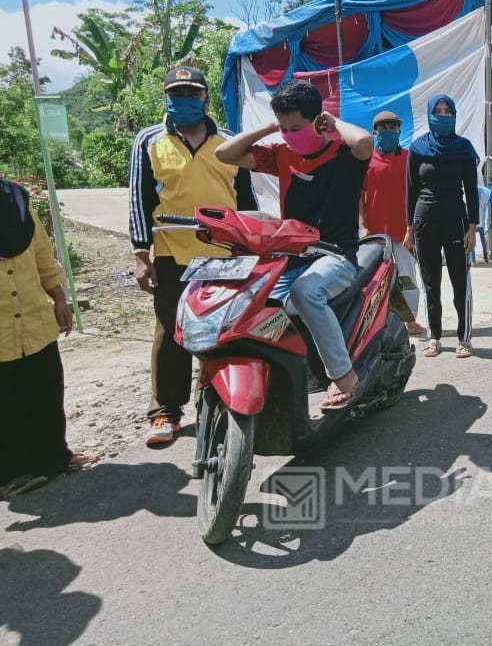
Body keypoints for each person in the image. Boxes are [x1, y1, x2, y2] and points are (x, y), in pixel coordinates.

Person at [215, 79, 373, 410]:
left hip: (337, 256)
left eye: (295, 126)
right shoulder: (281, 155)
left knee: (306, 293)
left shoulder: (343, 154)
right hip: (292, 257)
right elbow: (225, 153)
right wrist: (272, 125)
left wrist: (333, 123)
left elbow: (364, 141)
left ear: (317, 121)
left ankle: (343, 376)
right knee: (252, 303)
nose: (289, 134)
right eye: (284, 128)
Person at [129, 67, 257, 447]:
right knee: (172, 330)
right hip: (172, 252)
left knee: (222, 328)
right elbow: (140, 198)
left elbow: (246, 200)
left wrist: (251, 245)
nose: (183, 98)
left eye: (191, 91)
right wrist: (140, 252)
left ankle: (212, 398)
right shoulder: (149, 140)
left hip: (224, 253)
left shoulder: (230, 142)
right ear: (166, 96)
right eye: (176, 91)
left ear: (204, 97)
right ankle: (165, 410)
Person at [1, 180, 88, 497]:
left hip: (34, 319)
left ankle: (52, 458)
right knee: (5, 403)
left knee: (45, 392)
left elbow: (42, 255)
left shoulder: (15, 201)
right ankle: (8, 475)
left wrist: (60, 300)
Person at [404, 95, 479, 359]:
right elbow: (410, 191)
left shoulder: (464, 148)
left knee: (460, 280)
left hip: (456, 219)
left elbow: (471, 191)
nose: (443, 115)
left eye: (447, 110)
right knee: (430, 281)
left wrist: (473, 227)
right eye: (438, 111)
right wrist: (409, 228)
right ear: (429, 114)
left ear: (454, 114)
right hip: (424, 221)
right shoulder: (418, 148)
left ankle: (465, 337)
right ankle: (434, 337)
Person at [360, 110, 425, 337]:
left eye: (392, 128)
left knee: (408, 278)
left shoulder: (410, 158)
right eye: (383, 128)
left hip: (405, 231)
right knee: (375, 279)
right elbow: (359, 194)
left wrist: (415, 226)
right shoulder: (366, 160)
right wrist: (362, 224)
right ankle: (377, 320)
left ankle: (410, 320)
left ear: (399, 131)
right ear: (375, 133)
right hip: (375, 232)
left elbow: (419, 193)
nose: (388, 132)